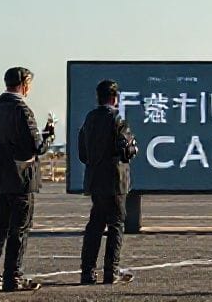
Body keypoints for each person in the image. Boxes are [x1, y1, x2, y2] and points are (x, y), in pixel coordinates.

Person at [0, 66, 54, 292]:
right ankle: (14, 276)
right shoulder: (22, 109)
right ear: (24, 84)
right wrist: (48, 135)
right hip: (21, 177)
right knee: (19, 229)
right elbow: (36, 146)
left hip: (0, 177)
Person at [78, 79, 138, 285]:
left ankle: (87, 272)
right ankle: (111, 271)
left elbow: (82, 153)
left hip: (95, 180)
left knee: (95, 225)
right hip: (115, 180)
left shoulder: (89, 119)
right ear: (115, 98)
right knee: (116, 226)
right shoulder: (118, 119)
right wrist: (132, 149)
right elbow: (125, 149)